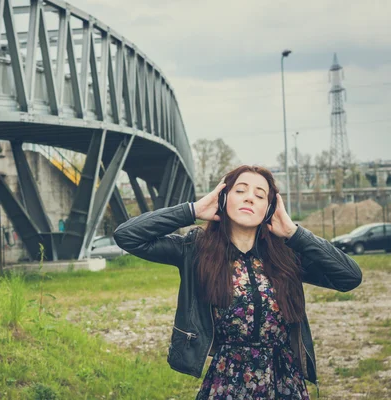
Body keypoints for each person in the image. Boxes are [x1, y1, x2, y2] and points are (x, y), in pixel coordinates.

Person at [113, 165, 362, 399]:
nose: (249, 197)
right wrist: (192, 210)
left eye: (260, 194)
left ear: (270, 208)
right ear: (223, 199)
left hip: (284, 378)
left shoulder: (287, 254)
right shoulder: (195, 249)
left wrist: (294, 233)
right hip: (227, 378)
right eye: (240, 190)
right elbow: (127, 236)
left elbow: (349, 276)